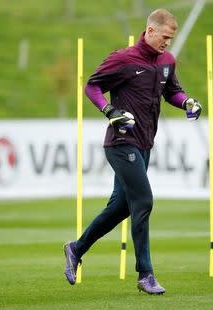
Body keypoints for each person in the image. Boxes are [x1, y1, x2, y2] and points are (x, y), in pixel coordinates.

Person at [63, 8, 202, 295]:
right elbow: (92, 87)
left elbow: (171, 92)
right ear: (149, 31)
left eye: (171, 38)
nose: (167, 42)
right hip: (120, 143)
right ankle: (146, 274)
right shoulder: (123, 58)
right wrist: (109, 110)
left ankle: (76, 249)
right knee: (144, 201)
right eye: (164, 37)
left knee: (121, 207)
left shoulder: (167, 61)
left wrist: (187, 101)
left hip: (145, 144)